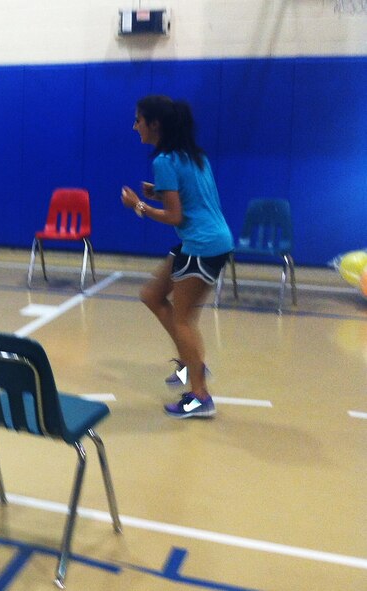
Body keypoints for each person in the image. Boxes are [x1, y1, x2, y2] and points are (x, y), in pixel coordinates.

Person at [120, 95, 233, 419]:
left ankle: (199, 396)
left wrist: (139, 206)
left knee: (184, 320)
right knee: (152, 295)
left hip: (202, 244)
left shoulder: (165, 160)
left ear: (154, 124)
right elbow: (190, 197)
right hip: (207, 239)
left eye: (138, 120)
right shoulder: (192, 156)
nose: (135, 126)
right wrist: (158, 192)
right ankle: (190, 362)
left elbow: (175, 217)